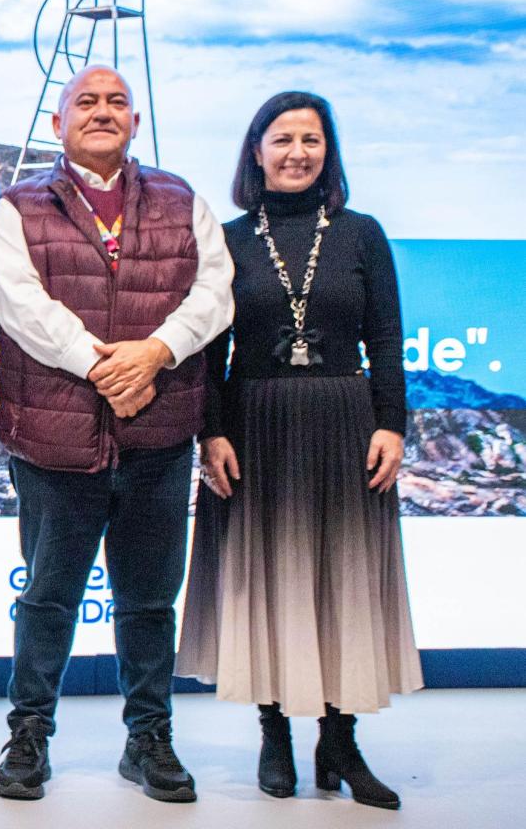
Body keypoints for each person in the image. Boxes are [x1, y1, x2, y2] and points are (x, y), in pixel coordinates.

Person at [0, 65, 233, 803]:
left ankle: (149, 738)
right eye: (84, 102)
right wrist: (107, 365)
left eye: (115, 102)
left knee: (151, 601)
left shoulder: (182, 200)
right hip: (57, 442)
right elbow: (17, 302)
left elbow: (214, 292)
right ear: (59, 123)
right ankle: (28, 736)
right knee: (48, 599)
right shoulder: (19, 207)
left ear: (135, 120)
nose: (101, 112)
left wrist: (156, 354)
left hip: (158, 437)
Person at [178, 91, 421, 810]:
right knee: (271, 577)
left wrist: (392, 424)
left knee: (340, 578)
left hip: (347, 423)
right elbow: (209, 352)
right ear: (256, 151)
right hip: (255, 424)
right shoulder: (225, 238)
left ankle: (339, 742)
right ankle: (275, 731)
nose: (297, 153)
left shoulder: (361, 234)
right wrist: (210, 432)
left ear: (328, 151)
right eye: (282, 139)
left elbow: (386, 338)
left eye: (311, 140)